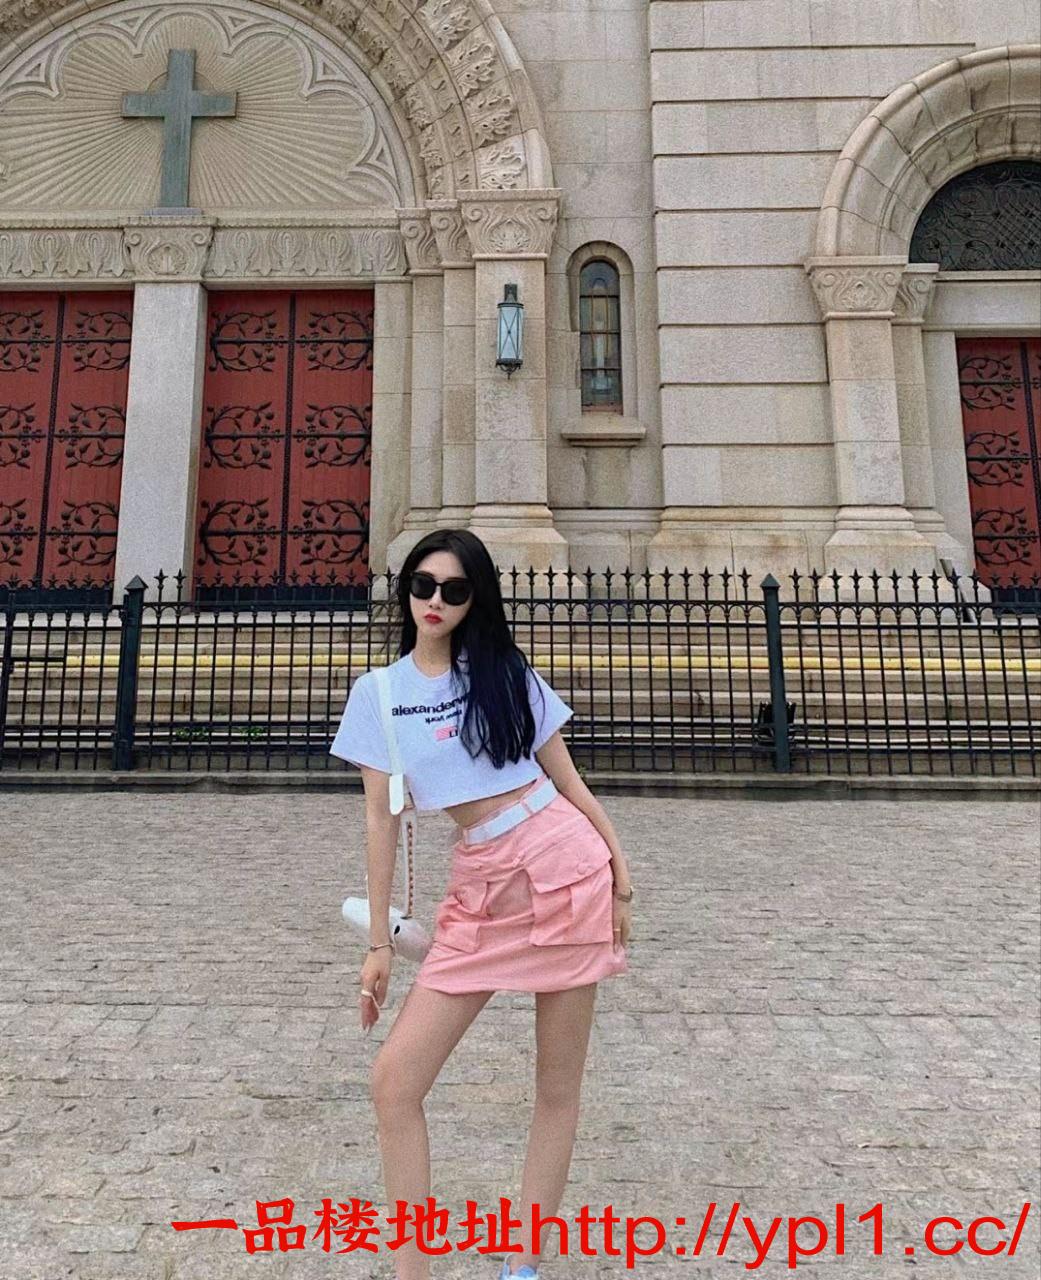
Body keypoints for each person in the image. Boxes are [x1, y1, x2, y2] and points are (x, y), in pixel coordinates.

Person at [329, 528, 634, 1280]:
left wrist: (620, 876)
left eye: (455, 589)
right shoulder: (379, 694)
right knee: (394, 1081)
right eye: (423, 585)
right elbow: (379, 820)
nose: (435, 601)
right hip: (478, 883)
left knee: (556, 1087)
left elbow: (568, 781)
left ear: (476, 600)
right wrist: (377, 945)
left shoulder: (504, 673)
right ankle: (412, 1273)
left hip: (563, 864)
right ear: (405, 590)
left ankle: (522, 1266)